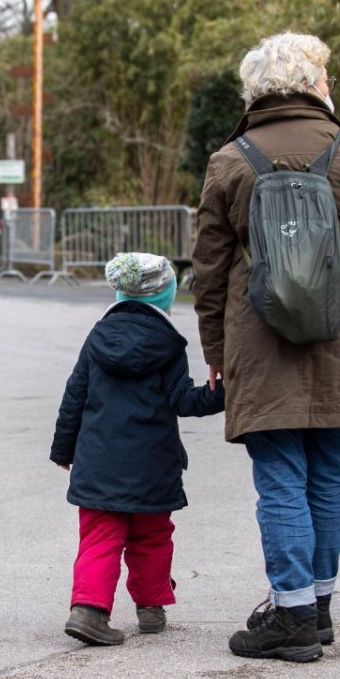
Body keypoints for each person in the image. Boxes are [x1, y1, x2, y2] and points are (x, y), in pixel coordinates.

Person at [191, 32, 340, 662]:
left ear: (257, 92)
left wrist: (217, 346)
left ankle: (292, 616)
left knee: (280, 478)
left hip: (259, 340)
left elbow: (208, 268)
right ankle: (320, 609)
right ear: (312, 85)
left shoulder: (230, 160)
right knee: (329, 477)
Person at [50, 252, 225, 647]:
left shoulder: (97, 338)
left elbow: (74, 396)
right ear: (164, 296)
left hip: (98, 462)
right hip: (153, 465)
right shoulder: (169, 344)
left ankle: (89, 611)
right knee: (152, 537)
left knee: (99, 536)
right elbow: (184, 400)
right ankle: (150, 607)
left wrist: (65, 449)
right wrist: (226, 394)